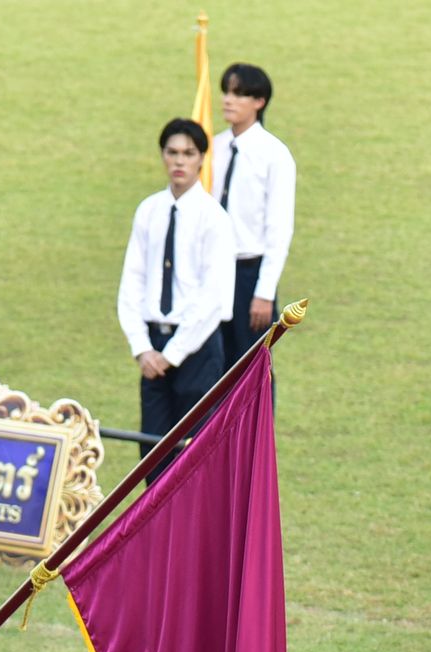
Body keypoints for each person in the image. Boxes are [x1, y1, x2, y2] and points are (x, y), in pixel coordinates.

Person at [118, 118, 234, 445]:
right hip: (154, 344)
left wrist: (172, 355)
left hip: (196, 347)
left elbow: (212, 296)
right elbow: (132, 280)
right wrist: (143, 348)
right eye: (172, 153)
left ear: (201, 159)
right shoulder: (149, 210)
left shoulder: (214, 218)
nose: (179, 161)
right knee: (152, 449)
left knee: (193, 450)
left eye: (188, 153)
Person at [209, 64, 297, 367]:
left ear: (259, 101)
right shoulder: (212, 148)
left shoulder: (274, 154)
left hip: (247, 271)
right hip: (211, 270)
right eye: (226, 92)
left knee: (250, 368)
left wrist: (264, 291)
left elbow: (279, 227)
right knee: (212, 364)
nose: (228, 100)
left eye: (238, 94)